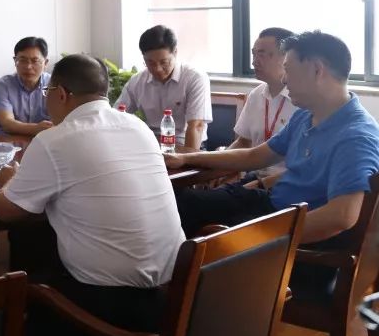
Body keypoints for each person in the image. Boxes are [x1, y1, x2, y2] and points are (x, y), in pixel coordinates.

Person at [0, 55, 184, 332]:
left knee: (27, 253)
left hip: (111, 305)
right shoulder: (138, 127)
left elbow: (7, 211)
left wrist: (8, 181)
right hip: (173, 293)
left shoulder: (54, 140)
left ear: (61, 94)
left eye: (48, 92)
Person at [166, 31, 379, 245]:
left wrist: (261, 237)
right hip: (271, 203)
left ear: (317, 70)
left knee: (191, 222)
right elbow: (254, 156)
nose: (284, 79)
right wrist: (187, 158)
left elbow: (341, 217)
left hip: (285, 227)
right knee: (175, 201)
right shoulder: (306, 115)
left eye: (288, 70)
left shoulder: (355, 136)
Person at [115, 25, 212, 152]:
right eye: (150, 63)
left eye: (164, 62)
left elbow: (196, 126)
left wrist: (186, 159)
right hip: (150, 146)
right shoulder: (137, 81)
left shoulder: (195, 78)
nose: (158, 69)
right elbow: (116, 116)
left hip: (184, 146)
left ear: (175, 52)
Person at [229, 29, 299, 182]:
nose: (254, 62)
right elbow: (243, 142)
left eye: (261, 55)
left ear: (286, 57)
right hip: (254, 178)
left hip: (284, 183)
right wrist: (218, 167)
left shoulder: (302, 99)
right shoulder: (256, 94)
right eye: (253, 54)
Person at [0, 36, 53, 143]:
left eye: (35, 61)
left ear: (45, 63)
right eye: (22, 60)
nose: (28, 66)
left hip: (46, 142)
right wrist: (37, 128)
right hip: (10, 143)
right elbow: (7, 124)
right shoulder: (2, 86)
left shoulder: (54, 85)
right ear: (15, 61)